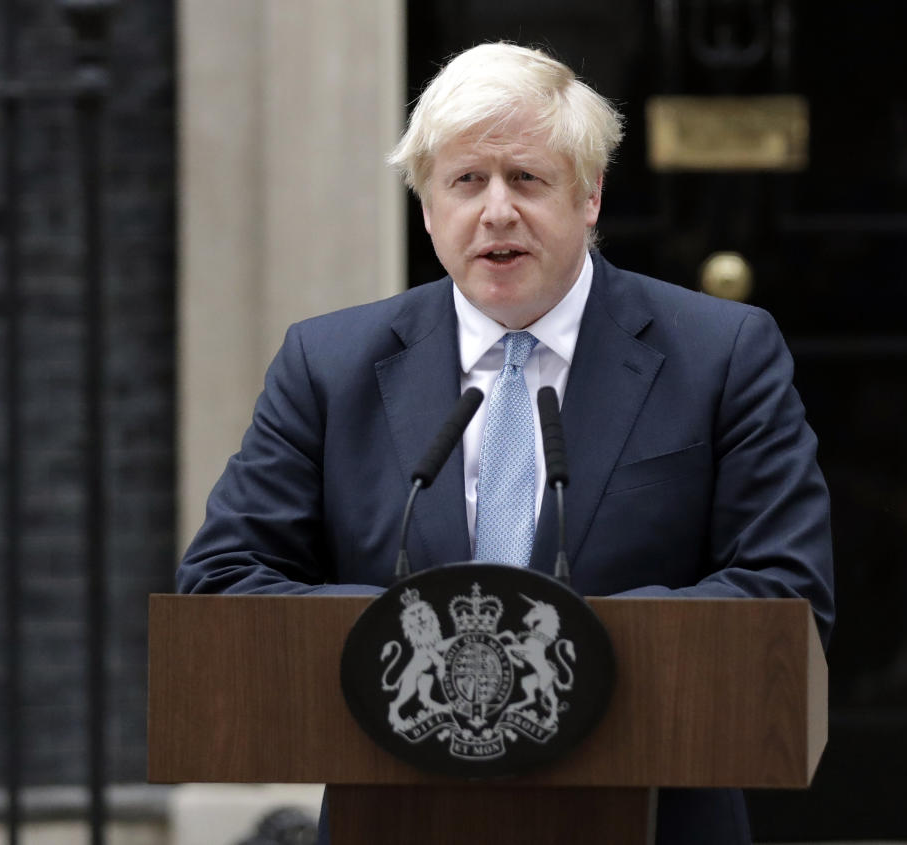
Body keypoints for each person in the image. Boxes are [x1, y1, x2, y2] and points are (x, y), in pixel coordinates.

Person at [178, 42, 834, 845]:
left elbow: (786, 591)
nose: (496, 211)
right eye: (465, 182)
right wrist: (428, 632)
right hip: (397, 819)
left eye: (526, 178)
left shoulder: (721, 354)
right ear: (426, 208)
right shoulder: (328, 365)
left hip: (655, 818)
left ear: (589, 194)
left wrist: (576, 651)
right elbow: (222, 585)